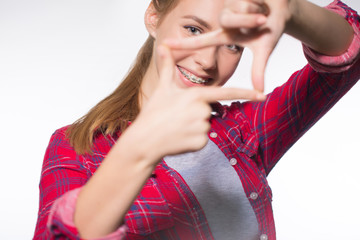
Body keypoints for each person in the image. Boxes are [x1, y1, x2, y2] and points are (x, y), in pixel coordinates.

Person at [33, 0, 360, 239]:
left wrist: (289, 10)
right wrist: (139, 150)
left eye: (232, 44)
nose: (206, 61)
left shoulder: (241, 132)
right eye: (193, 29)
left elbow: (346, 57)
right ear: (153, 16)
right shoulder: (78, 147)